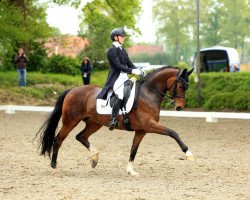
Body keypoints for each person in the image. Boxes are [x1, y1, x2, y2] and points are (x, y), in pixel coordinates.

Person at [97, 27, 144, 130]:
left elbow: (129, 64)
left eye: (123, 36)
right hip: (115, 77)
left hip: (124, 76)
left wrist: (138, 71)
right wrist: (132, 71)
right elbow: (118, 66)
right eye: (122, 36)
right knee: (120, 93)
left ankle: (126, 111)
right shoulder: (111, 50)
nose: (124, 38)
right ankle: (113, 119)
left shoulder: (122, 49)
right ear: (116, 37)